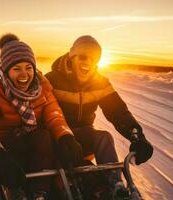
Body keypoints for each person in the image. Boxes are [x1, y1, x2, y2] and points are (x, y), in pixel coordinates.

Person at [0, 34, 82, 199]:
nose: (24, 74)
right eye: (17, 69)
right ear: (6, 71)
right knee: (32, 140)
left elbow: (54, 115)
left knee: (44, 137)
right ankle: (15, 192)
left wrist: (65, 136)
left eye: (28, 68)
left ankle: (41, 193)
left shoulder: (42, 88)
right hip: (8, 148)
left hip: (38, 146)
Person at [45, 35, 153, 199]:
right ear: (72, 57)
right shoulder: (52, 79)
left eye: (94, 58)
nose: (87, 62)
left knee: (104, 137)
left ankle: (115, 185)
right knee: (63, 180)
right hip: (58, 138)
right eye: (83, 56)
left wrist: (136, 136)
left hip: (83, 134)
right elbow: (40, 109)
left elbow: (117, 111)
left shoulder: (100, 83)